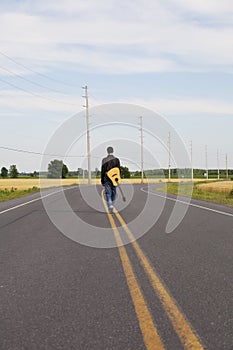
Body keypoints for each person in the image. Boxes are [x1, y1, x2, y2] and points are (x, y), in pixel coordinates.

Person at [101, 146, 121, 213]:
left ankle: (110, 205)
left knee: (108, 193)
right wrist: (118, 178)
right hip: (115, 179)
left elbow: (103, 171)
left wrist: (102, 180)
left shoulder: (104, 160)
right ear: (113, 151)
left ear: (107, 151)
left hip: (107, 179)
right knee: (113, 193)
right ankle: (111, 204)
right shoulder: (117, 160)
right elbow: (118, 170)